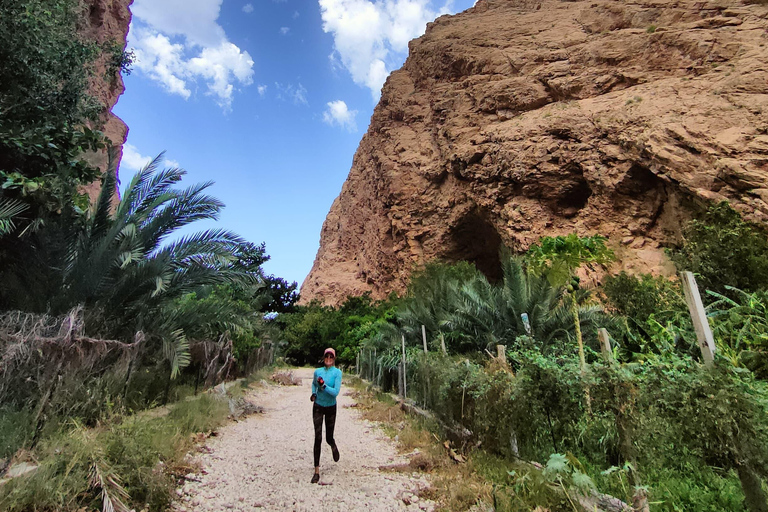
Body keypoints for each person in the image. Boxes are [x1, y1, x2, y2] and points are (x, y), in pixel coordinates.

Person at [310, 347, 342, 483]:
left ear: (334, 359)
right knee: (318, 437)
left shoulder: (337, 373)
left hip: (330, 407)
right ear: (323, 358)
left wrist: (324, 387)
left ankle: (333, 445)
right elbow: (313, 384)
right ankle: (316, 471)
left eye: (331, 357)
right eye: (326, 356)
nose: (328, 359)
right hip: (318, 406)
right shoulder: (318, 372)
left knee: (328, 437)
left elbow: (335, 392)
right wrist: (314, 393)